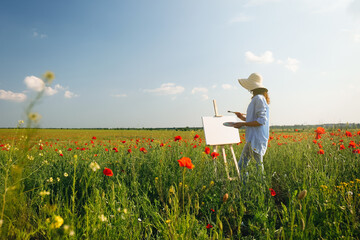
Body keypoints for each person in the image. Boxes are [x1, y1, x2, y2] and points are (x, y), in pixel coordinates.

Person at [232, 73, 270, 180]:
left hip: (255, 139)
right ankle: (250, 188)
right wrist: (242, 118)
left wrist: (243, 124)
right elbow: (254, 121)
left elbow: (261, 121)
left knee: (251, 167)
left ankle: (255, 189)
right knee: (245, 166)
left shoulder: (258, 98)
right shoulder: (258, 98)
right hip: (253, 139)